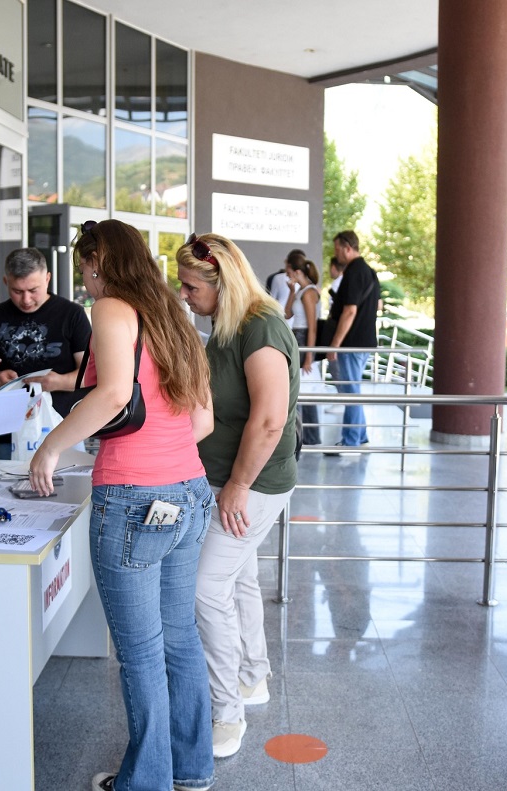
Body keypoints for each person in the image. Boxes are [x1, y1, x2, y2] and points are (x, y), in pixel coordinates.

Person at [28, 220, 215, 791]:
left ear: (98, 262)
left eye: (85, 266)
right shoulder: (172, 318)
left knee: (139, 652)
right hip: (189, 491)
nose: (82, 280)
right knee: (179, 636)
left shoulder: (113, 309)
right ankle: (192, 767)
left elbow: (111, 394)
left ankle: (146, 783)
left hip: (134, 499)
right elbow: (202, 420)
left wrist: (50, 449)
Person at [176, 232, 300, 759]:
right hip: (227, 476)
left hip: (253, 481)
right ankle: (253, 677)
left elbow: (270, 420)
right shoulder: (224, 328)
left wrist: (237, 487)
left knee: (206, 588)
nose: (184, 296)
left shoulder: (261, 328)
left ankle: (225, 713)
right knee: (240, 577)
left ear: (220, 283)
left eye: (190, 286)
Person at [0, 247, 92, 417]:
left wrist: (60, 382)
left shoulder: (72, 314)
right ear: (5, 281)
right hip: (8, 425)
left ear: (47, 279)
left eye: (33, 290)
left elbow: (91, 373)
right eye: (17, 291)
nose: (26, 300)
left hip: (63, 424)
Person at [326, 231, 380, 451]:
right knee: (353, 389)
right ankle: (360, 435)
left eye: (337, 249)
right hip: (365, 340)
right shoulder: (369, 272)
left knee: (350, 392)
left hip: (352, 342)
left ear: (348, 247)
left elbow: (349, 311)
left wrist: (335, 344)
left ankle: (350, 441)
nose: (336, 253)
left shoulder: (354, 272)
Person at [283, 250, 323, 446]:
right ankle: (302, 436)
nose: (286, 273)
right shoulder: (300, 291)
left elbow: (312, 327)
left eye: (288, 269)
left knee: (305, 391)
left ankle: (310, 437)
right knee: (299, 390)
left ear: (296, 270)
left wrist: (309, 355)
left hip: (304, 340)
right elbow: (287, 313)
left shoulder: (310, 293)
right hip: (297, 339)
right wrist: (291, 292)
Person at [265, 260, 292, 326]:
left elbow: (272, 298)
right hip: (290, 320)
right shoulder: (305, 285)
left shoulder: (276, 278)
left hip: (279, 315)